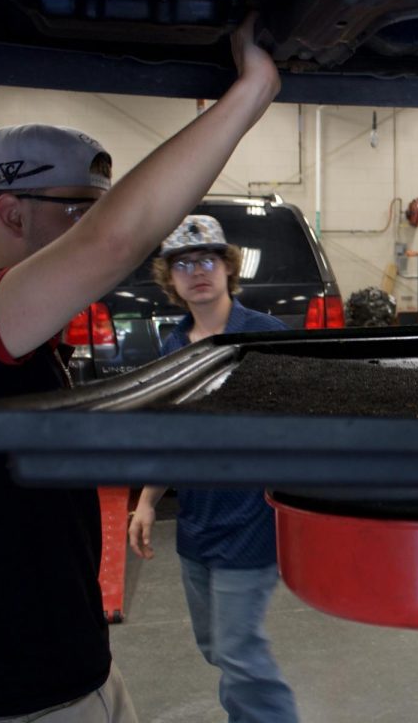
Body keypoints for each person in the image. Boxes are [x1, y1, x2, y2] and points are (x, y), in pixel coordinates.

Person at [0, 14, 281, 722]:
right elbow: (117, 240)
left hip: (73, 675)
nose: (95, 238)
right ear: (10, 212)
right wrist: (251, 91)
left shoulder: (32, 348)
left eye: (94, 215)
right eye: (77, 214)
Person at [128, 214, 298, 722]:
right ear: (171, 279)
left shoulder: (265, 337)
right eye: (183, 263)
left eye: (207, 259)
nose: (196, 271)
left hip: (252, 521)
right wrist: (145, 502)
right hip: (197, 525)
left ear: (227, 267)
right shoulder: (174, 347)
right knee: (217, 648)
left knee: (240, 653)